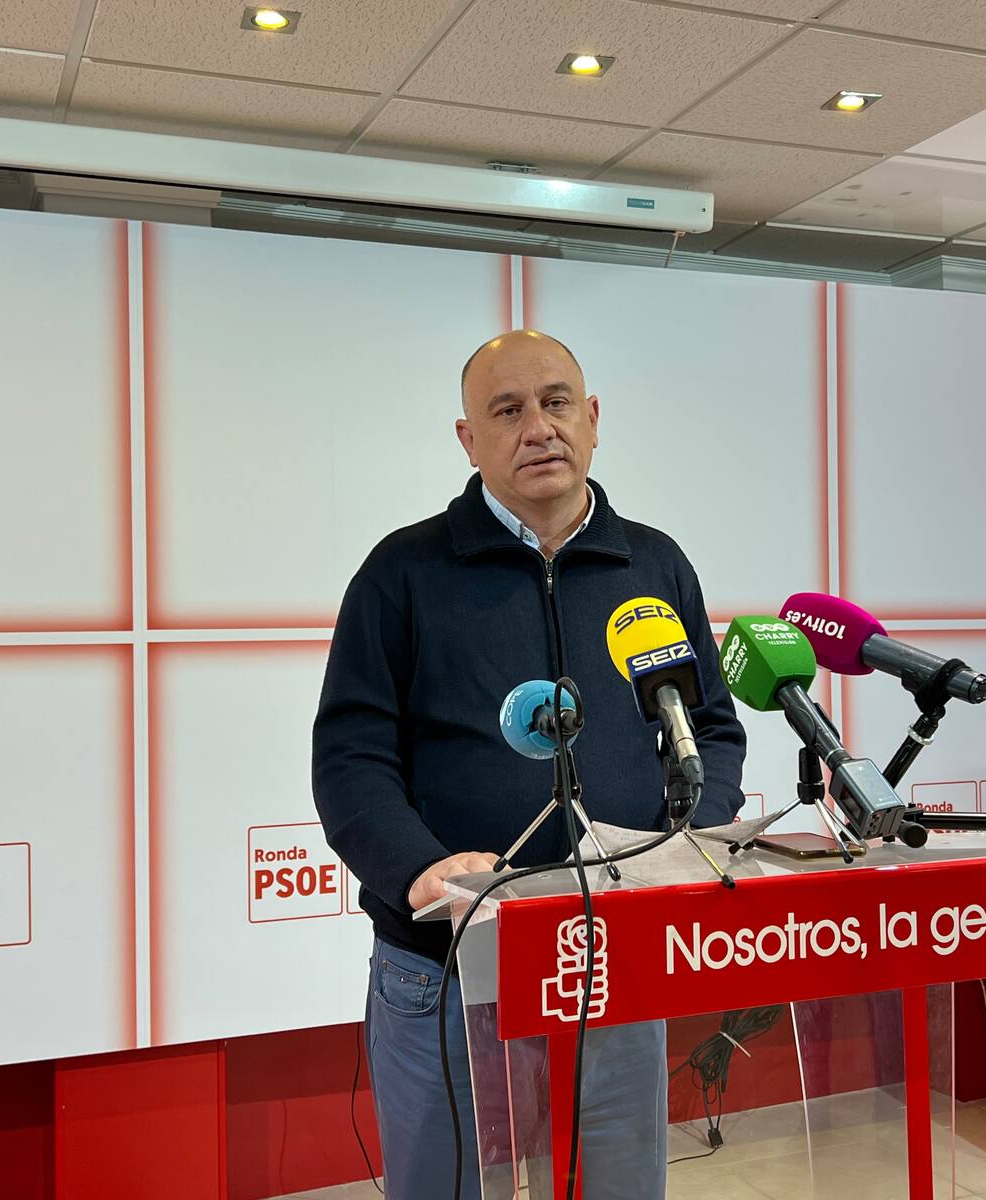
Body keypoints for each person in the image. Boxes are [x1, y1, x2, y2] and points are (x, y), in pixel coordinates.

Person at [312, 329, 748, 1198]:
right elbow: (351, 760)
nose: (538, 427)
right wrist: (420, 869)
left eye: (555, 403)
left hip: (614, 954)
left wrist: (685, 843)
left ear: (593, 420)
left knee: (617, 1187)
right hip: (446, 962)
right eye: (507, 411)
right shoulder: (402, 573)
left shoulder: (655, 566)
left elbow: (709, 730)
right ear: (469, 440)